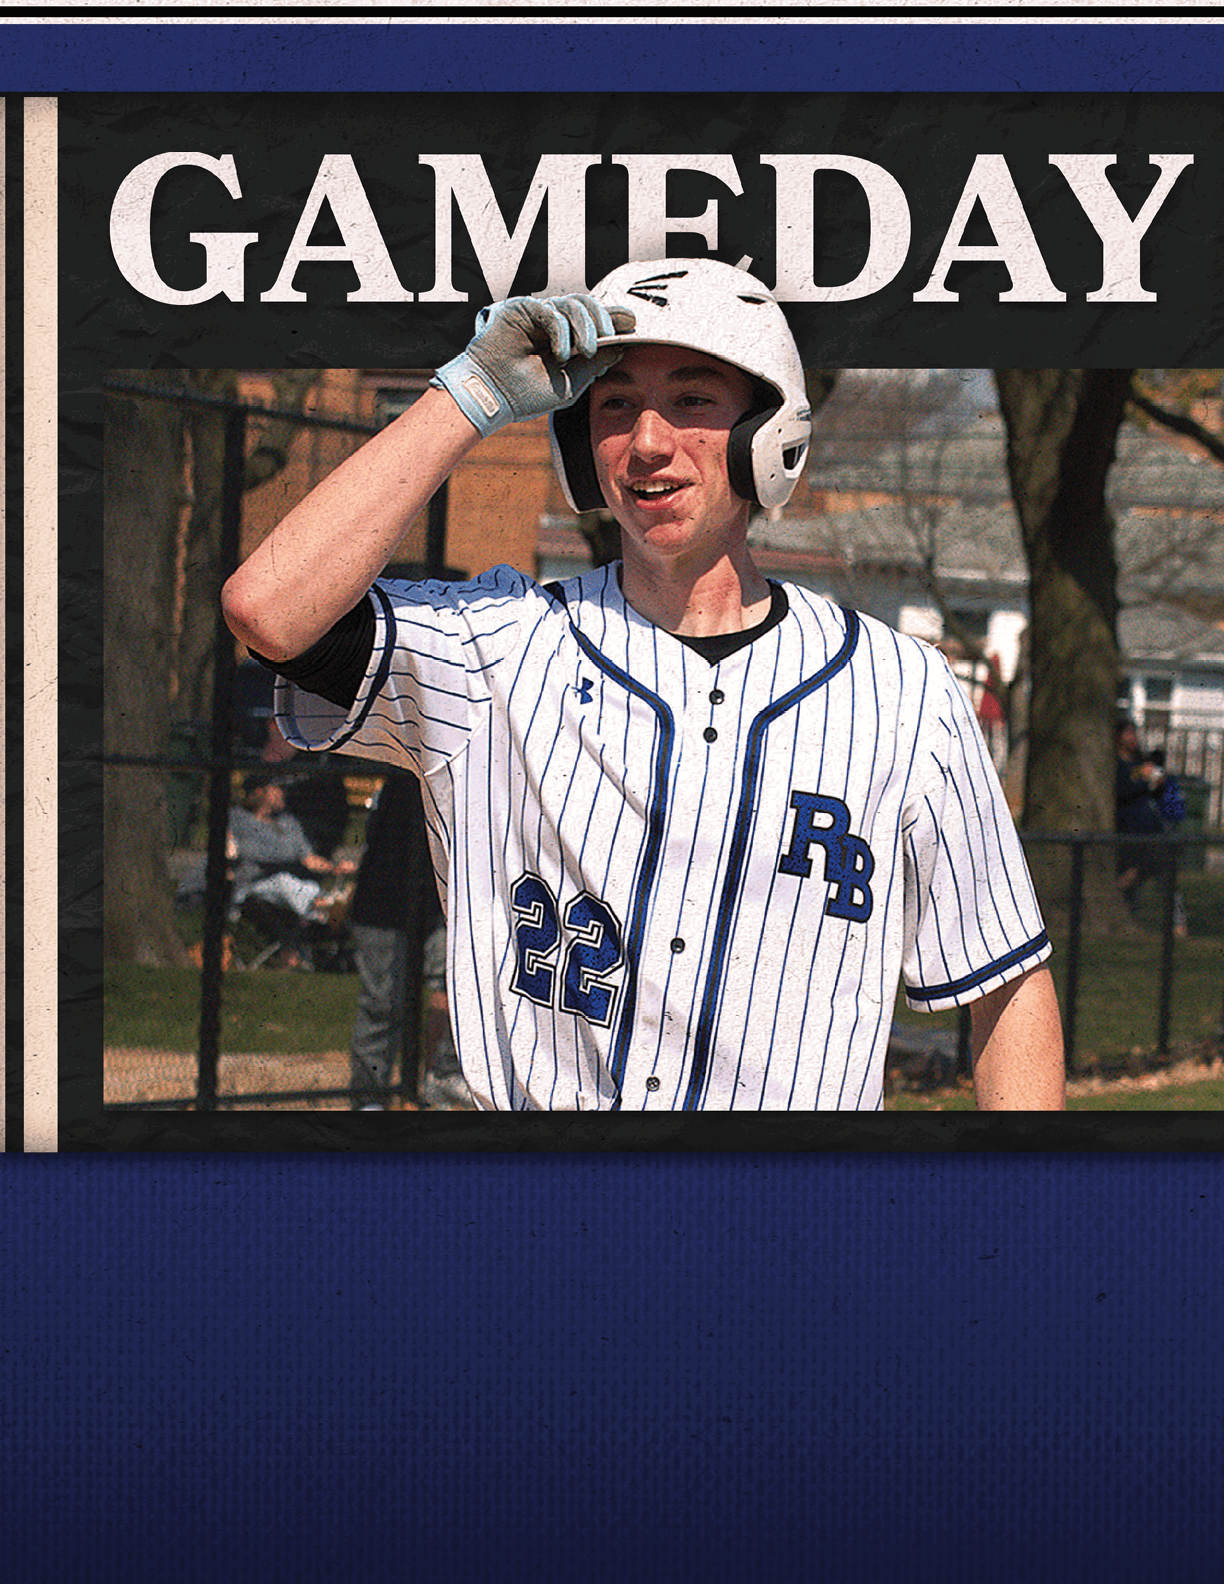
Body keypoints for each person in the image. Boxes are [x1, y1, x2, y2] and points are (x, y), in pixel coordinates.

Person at [223, 258, 1064, 1110]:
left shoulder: (903, 690)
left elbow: (1008, 987)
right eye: (615, 405)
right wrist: (468, 392)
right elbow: (269, 608)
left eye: (694, 401)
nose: (649, 441)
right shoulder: (502, 644)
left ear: (769, 431)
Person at [348, 770, 473, 1111]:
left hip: (440, 900)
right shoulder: (405, 776)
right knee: (383, 1003)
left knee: (457, 990)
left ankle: (443, 1076)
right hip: (384, 900)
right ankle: (369, 1098)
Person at [228, 770, 354, 962]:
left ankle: (324, 908)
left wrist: (334, 868)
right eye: (276, 788)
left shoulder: (288, 823)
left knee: (294, 884)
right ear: (259, 792)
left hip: (288, 884)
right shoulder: (237, 819)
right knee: (285, 882)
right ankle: (326, 909)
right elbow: (239, 853)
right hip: (252, 884)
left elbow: (308, 858)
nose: (282, 793)